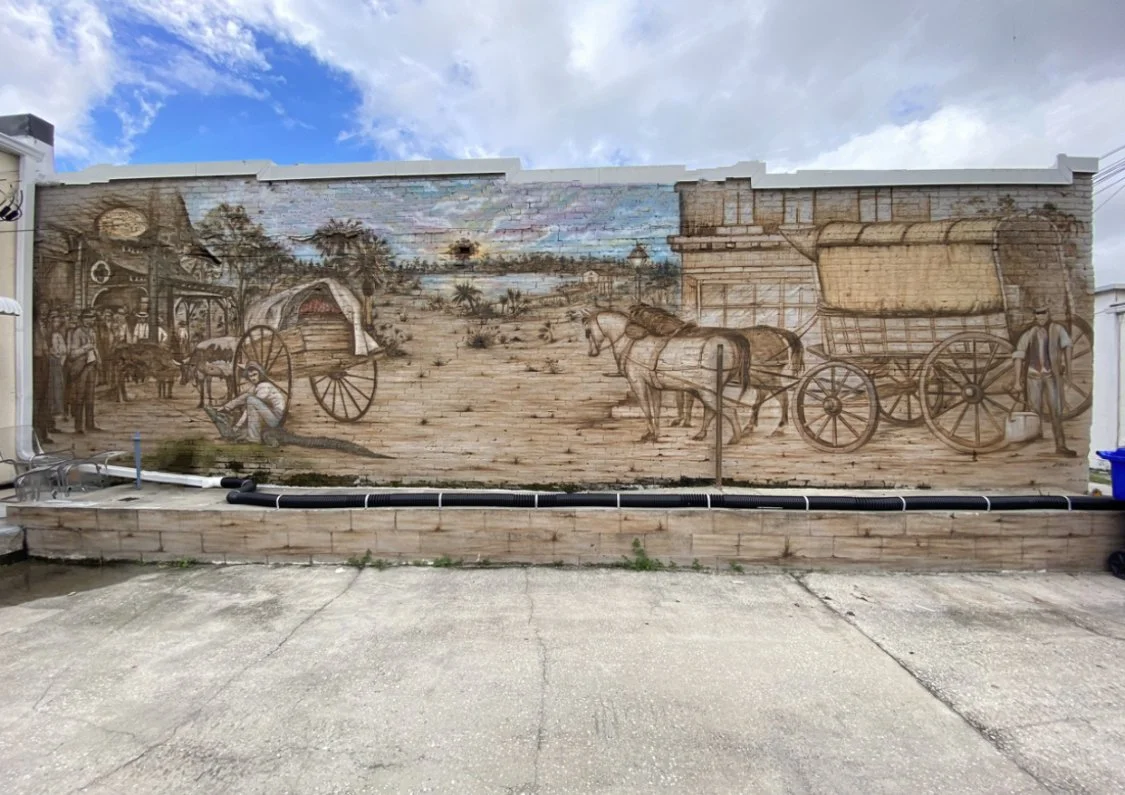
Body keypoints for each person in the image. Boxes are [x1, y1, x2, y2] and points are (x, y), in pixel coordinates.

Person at [1012, 302, 1076, 457]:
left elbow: (1067, 346)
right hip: (1033, 376)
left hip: (1050, 376)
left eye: (1043, 314)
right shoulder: (1030, 333)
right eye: (1037, 315)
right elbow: (1019, 355)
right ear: (1035, 316)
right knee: (1034, 412)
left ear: (1048, 314)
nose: (1040, 318)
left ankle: (1060, 446)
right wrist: (1017, 381)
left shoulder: (1057, 330)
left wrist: (1068, 372)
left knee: (1056, 411)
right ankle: (1032, 448)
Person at [216, 362, 287, 443]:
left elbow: (249, 407)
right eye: (250, 376)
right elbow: (243, 397)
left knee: (251, 400)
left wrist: (237, 425)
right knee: (248, 397)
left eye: (255, 375)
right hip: (268, 415)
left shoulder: (264, 386)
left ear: (260, 374)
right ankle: (252, 436)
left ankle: (254, 437)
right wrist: (226, 407)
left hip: (275, 419)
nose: (253, 378)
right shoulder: (256, 387)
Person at [66, 309, 102, 434]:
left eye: (91, 318)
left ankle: (90, 424)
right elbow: (73, 353)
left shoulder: (92, 331)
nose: (90, 320)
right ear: (82, 319)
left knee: (90, 396)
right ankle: (78, 426)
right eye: (87, 318)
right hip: (81, 367)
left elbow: (95, 348)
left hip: (92, 365)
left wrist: (98, 359)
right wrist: (86, 348)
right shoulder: (77, 333)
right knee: (80, 396)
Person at [32, 303, 55, 443]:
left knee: (45, 398)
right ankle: (36, 434)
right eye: (42, 308)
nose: (44, 311)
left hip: (45, 362)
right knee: (37, 397)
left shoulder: (48, 327)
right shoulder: (32, 326)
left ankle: (43, 433)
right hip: (35, 362)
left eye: (47, 308)